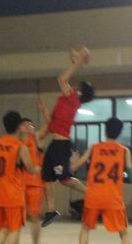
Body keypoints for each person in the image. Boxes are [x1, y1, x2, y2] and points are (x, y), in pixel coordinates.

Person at [70, 117, 132, 244]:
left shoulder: (94, 148)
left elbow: (74, 168)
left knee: (85, 227)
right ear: (119, 132)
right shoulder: (124, 151)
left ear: (105, 131)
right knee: (124, 233)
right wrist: (122, 175)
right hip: (112, 197)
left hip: (93, 196)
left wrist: (73, 160)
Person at [38, 47, 94, 227]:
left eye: (78, 86)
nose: (74, 85)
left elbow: (62, 79)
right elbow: (53, 124)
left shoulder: (72, 99)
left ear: (80, 93)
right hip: (54, 144)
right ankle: (51, 210)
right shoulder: (65, 99)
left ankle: (91, 193)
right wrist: (44, 112)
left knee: (65, 179)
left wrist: (77, 63)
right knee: (46, 176)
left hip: (61, 145)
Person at [0, 112, 40, 244]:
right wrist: (38, 168)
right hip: (13, 194)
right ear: (18, 126)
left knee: (3, 227)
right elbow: (30, 168)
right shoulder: (20, 146)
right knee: (14, 229)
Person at [20, 117, 45, 244]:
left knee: (34, 216)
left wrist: (43, 111)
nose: (29, 127)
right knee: (14, 216)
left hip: (35, 183)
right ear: (20, 127)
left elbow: (48, 127)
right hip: (18, 183)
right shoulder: (17, 142)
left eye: (31, 125)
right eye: (26, 125)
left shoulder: (36, 139)